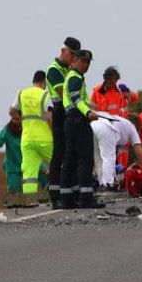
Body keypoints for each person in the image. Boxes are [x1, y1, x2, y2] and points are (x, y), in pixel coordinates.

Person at [60, 48, 100, 209]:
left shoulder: (74, 77)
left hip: (71, 121)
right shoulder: (75, 77)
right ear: (74, 61)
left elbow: (80, 98)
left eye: (88, 62)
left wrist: (90, 104)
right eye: (83, 61)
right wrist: (88, 112)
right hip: (78, 120)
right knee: (85, 159)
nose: (86, 65)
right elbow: (76, 100)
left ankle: (67, 198)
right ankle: (86, 197)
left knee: (70, 160)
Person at [45, 37, 81, 209]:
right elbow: (62, 91)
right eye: (72, 54)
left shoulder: (68, 69)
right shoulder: (54, 70)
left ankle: (71, 193)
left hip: (69, 112)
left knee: (71, 153)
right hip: (60, 112)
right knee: (59, 154)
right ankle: (54, 195)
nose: (74, 58)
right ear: (64, 51)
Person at [16, 70, 54, 201]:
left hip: (27, 139)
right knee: (59, 163)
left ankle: (29, 199)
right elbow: (49, 117)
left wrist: (22, 119)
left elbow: (12, 110)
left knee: (29, 173)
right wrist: (54, 132)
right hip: (44, 139)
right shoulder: (45, 95)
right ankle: (61, 194)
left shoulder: (21, 93)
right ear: (44, 82)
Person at [91, 111, 142, 189]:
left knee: (98, 158)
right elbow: (138, 150)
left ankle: (101, 182)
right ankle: (108, 183)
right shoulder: (132, 127)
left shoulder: (121, 122)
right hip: (106, 128)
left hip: (93, 125)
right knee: (108, 158)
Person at [0, 106, 24, 198]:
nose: (15, 121)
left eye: (17, 119)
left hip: (26, 164)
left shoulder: (26, 130)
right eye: (13, 119)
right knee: (14, 189)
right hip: (12, 165)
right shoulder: (7, 130)